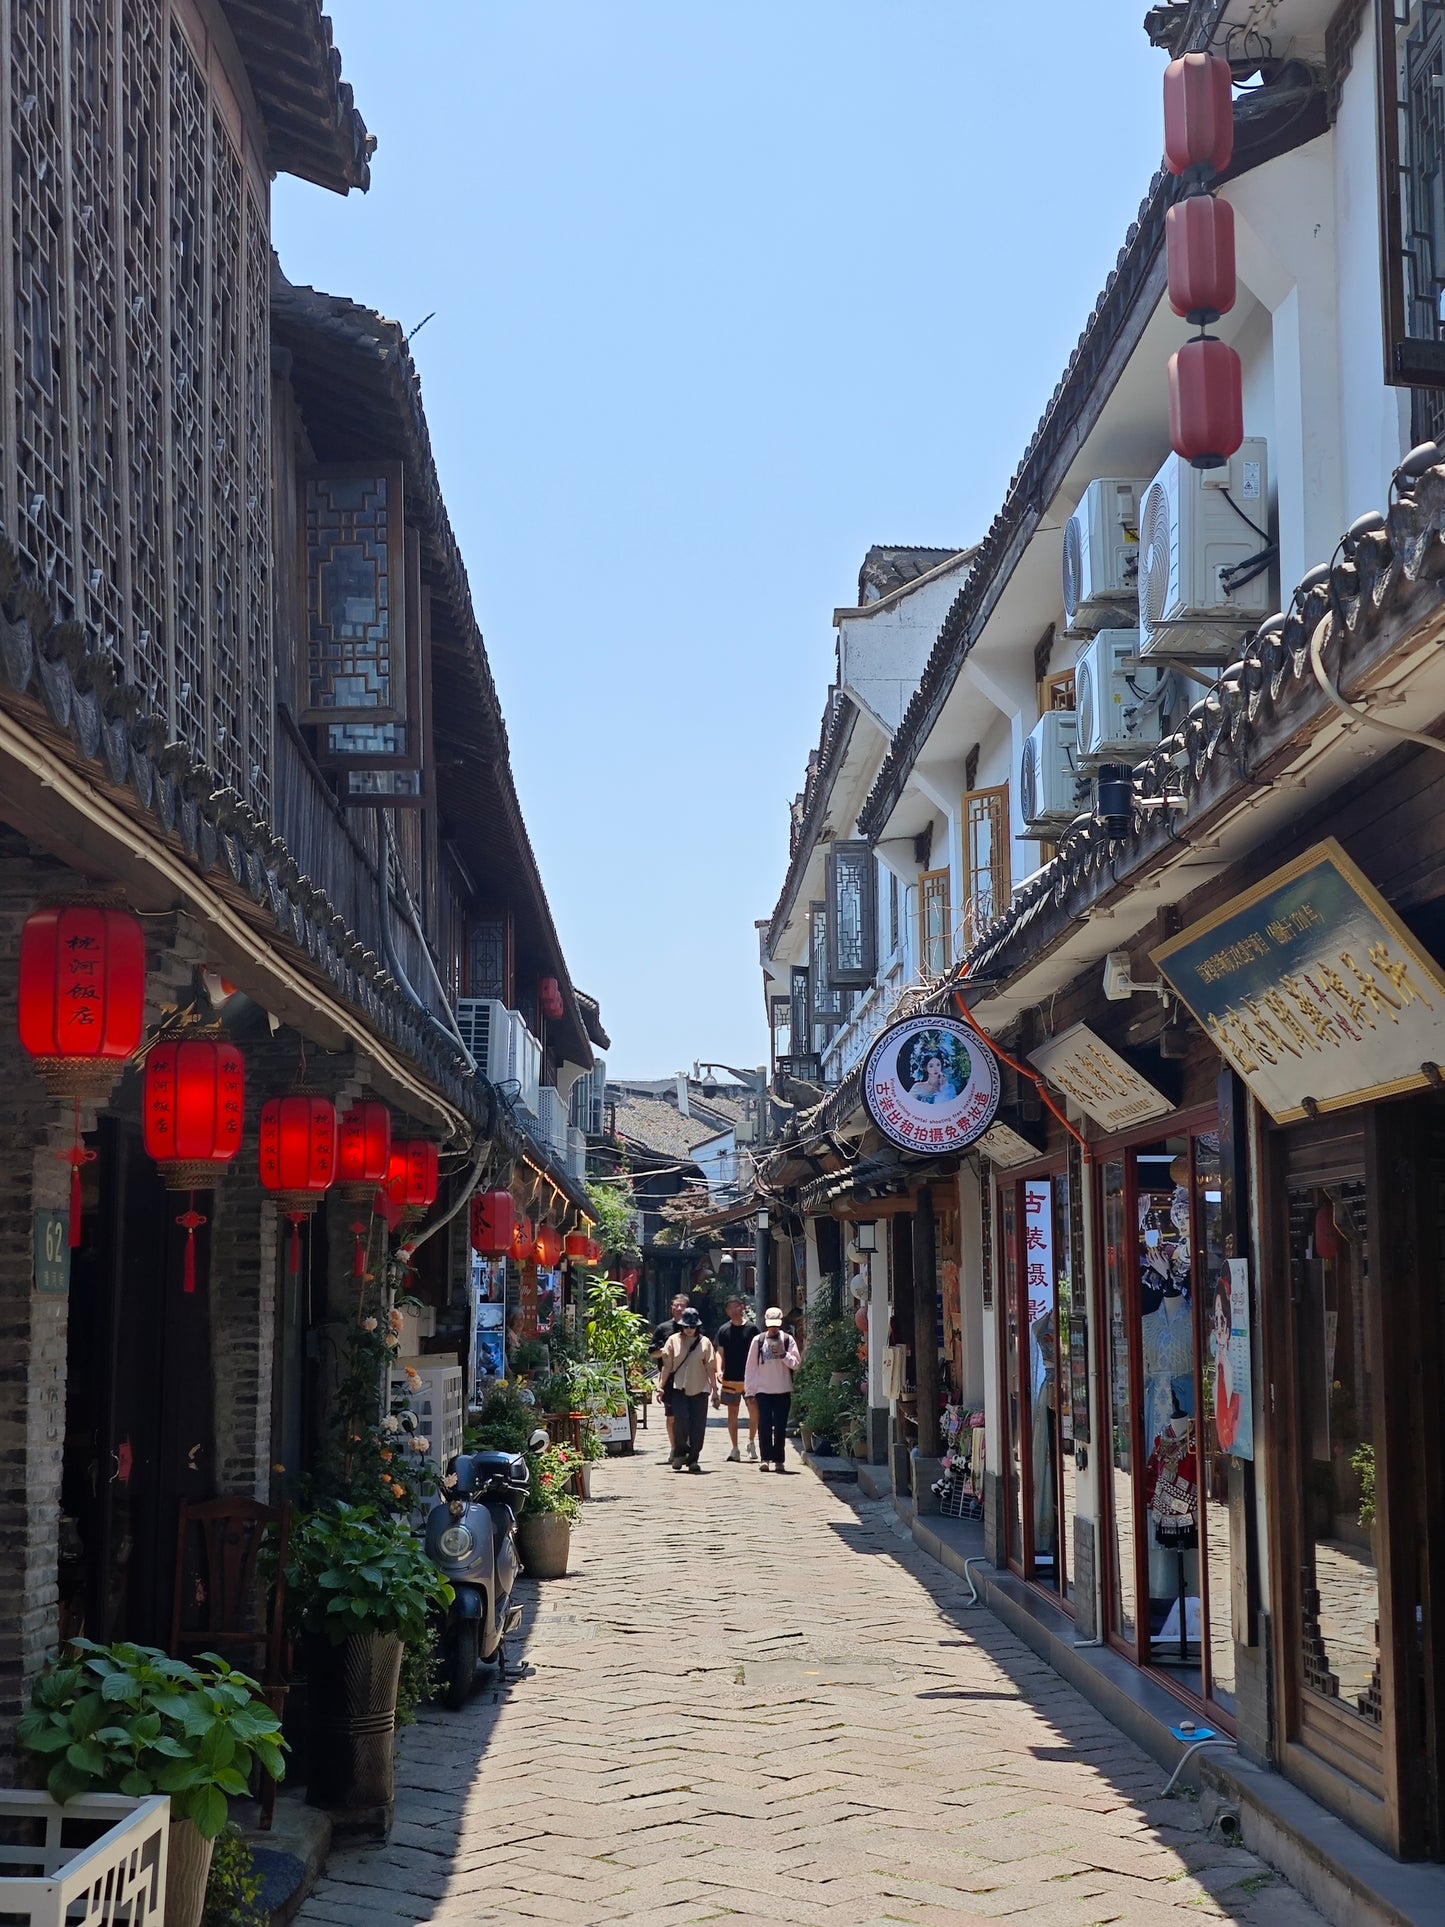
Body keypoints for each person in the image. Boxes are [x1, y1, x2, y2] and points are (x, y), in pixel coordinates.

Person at [657, 1308, 718, 1472]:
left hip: (700, 1389)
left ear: (697, 1326)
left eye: (692, 1327)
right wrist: (660, 1387)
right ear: (681, 1326)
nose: (689, 1330)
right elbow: (667, 1367)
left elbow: (711, 1367)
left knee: (698, 1426)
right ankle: (679, 1454)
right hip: (679, 1389)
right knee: (681, 1422)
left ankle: (693, 1459)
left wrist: (715, 1390)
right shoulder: (672, 1341)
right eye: (686, 1326)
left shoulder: (705, 1343)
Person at [744, 1307, 801, 1473]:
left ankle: (779, 1459)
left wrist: (783, 1354)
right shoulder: (758, 1341)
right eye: (771, 1325)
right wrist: (750, 1391)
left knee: (780, 1426)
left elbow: (796, 1364)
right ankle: (765, 1458)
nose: (773, 1329)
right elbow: (751, 1368)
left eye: (776, 1325)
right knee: (765, 1425)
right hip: (763, 1390)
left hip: (783, 1389)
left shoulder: (788, 1340)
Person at [713, 1295, 759, 1461]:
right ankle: (734, 1448)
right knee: (733, 1412)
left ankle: (752, 1442)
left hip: (750, 1377)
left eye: (736, 1306)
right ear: (726, 1311)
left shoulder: (752, 1329)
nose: (733, 1310)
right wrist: (719, 1369)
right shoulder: (724, 1330)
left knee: (754, 1410)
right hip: (731, 1377)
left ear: (742, 1307)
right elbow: (719, 1351)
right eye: (730, 1307)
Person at [651, 1293, 690, 1456]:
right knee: (671, 1416)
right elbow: (653, 1353)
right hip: (669, 1377)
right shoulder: (663, 1328)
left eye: (682, 1305)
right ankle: (674, 1447)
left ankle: (687, 1446)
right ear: (671, 1307)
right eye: (676, 1305)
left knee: (688, 1415)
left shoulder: (692, 1326)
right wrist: (667, 1351)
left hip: (689, 1377)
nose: (679, 1308)